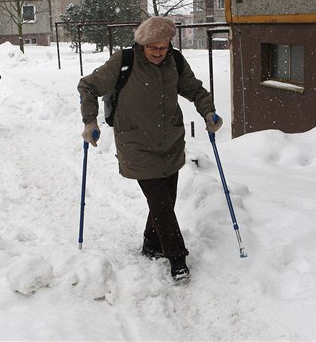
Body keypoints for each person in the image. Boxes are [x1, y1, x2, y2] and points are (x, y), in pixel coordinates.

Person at [77, 16, 223, 281]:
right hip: (136, 143)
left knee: (167, 199)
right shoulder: (124, 61)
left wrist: (208, 112)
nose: (158, 52)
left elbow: (195, 90)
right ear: (142, 44)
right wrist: (90, 120)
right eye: (153, 47)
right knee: (160, 202)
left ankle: (151, 243)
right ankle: (177, 257)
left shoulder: (175, 62)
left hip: (170, 142)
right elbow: (88, 86)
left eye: (163, 47)